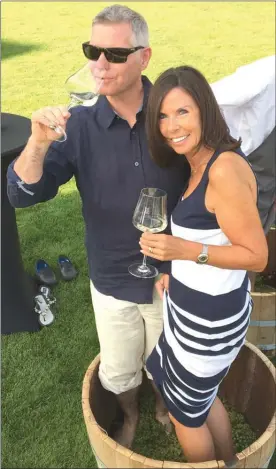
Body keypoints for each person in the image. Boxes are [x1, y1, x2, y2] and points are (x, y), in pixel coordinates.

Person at [6, 5, 189, 448]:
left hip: (176, 275)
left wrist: (191, 252)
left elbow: (214, 175)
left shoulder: (174, 115)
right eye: (92, 50)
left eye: (114, 53)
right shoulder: (80, 126)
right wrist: (35, 144)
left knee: (171, 360)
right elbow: (22, 193)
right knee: (120, 366)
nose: (99, 64)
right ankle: (129, 414)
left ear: (144, 57)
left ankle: (164, 405)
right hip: (111, 276)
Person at [139, 65, 268, 463]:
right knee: (200, 401)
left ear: (205, 111)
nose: (170, 125)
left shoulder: (223, 169)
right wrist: (174, 271)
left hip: (207, 327)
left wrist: (184, 252)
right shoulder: (198, 160)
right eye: (162, 114)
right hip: (194, 309)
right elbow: (214, 236)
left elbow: (256, 255)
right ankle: (228, 462)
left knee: (185, 417)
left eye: (182, 112)